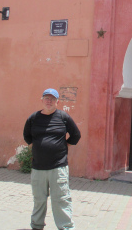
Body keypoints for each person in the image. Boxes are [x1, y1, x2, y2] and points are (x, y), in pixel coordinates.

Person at [23, 88, 81, 230]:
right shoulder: (33, 118)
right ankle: (36, 226)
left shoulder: (63, 117)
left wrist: (65, 145)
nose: (49, 101)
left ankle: (65, 227)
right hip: (38, 168)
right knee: (39, 200)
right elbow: (27, 136)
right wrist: (38, 147)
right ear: (42, 100)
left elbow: (76, 135)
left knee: (60, 199)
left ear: (57, 102)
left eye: (52, 99)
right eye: (46, 98)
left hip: (58, 167)